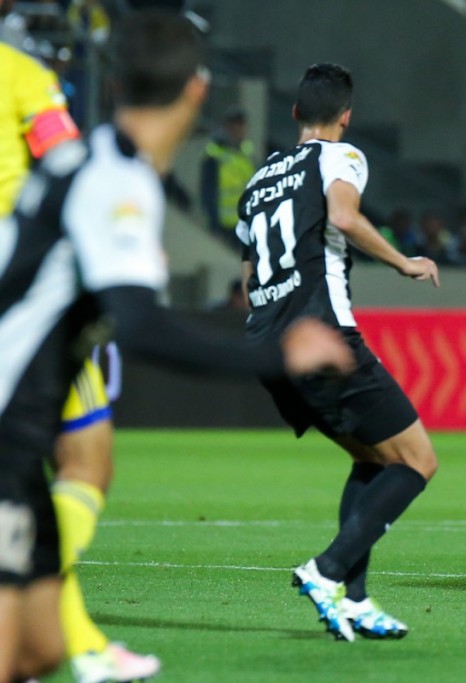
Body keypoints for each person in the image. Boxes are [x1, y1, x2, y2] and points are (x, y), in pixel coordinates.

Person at [0, 12, 353, 683]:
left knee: (40, 649)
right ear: (197, 89)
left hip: (22, 425)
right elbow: (140, 327)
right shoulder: (116, 179)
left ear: (114, 85)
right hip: (6, 428)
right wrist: (276, 355)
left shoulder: (86, 161)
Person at [235, 63, 440, 642]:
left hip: (268, 346)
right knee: (417, 461)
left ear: (295, 112)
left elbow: (249, 279)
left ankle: (355, 600)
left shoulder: (257, 182)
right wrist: (402, 262)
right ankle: (326, 571)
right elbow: (344, 217)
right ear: (345, 117)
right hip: (322, 337)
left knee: (373, 458)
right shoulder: (340, 156)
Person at [1, 39, 162, 683]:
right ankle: (83, 643)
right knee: (85, 459)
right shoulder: (18, 71)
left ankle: (78, 640)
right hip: (26, 293)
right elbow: (66, 157)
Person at [200, 106, 255, 242]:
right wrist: (214, 223)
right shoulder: (215, 154)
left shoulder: (247, 153)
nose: (239, 129)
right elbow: (208, 192)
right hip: (224, 226)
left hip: (245, 223)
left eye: (241, 125)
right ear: (227, 127)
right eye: (235, 125)